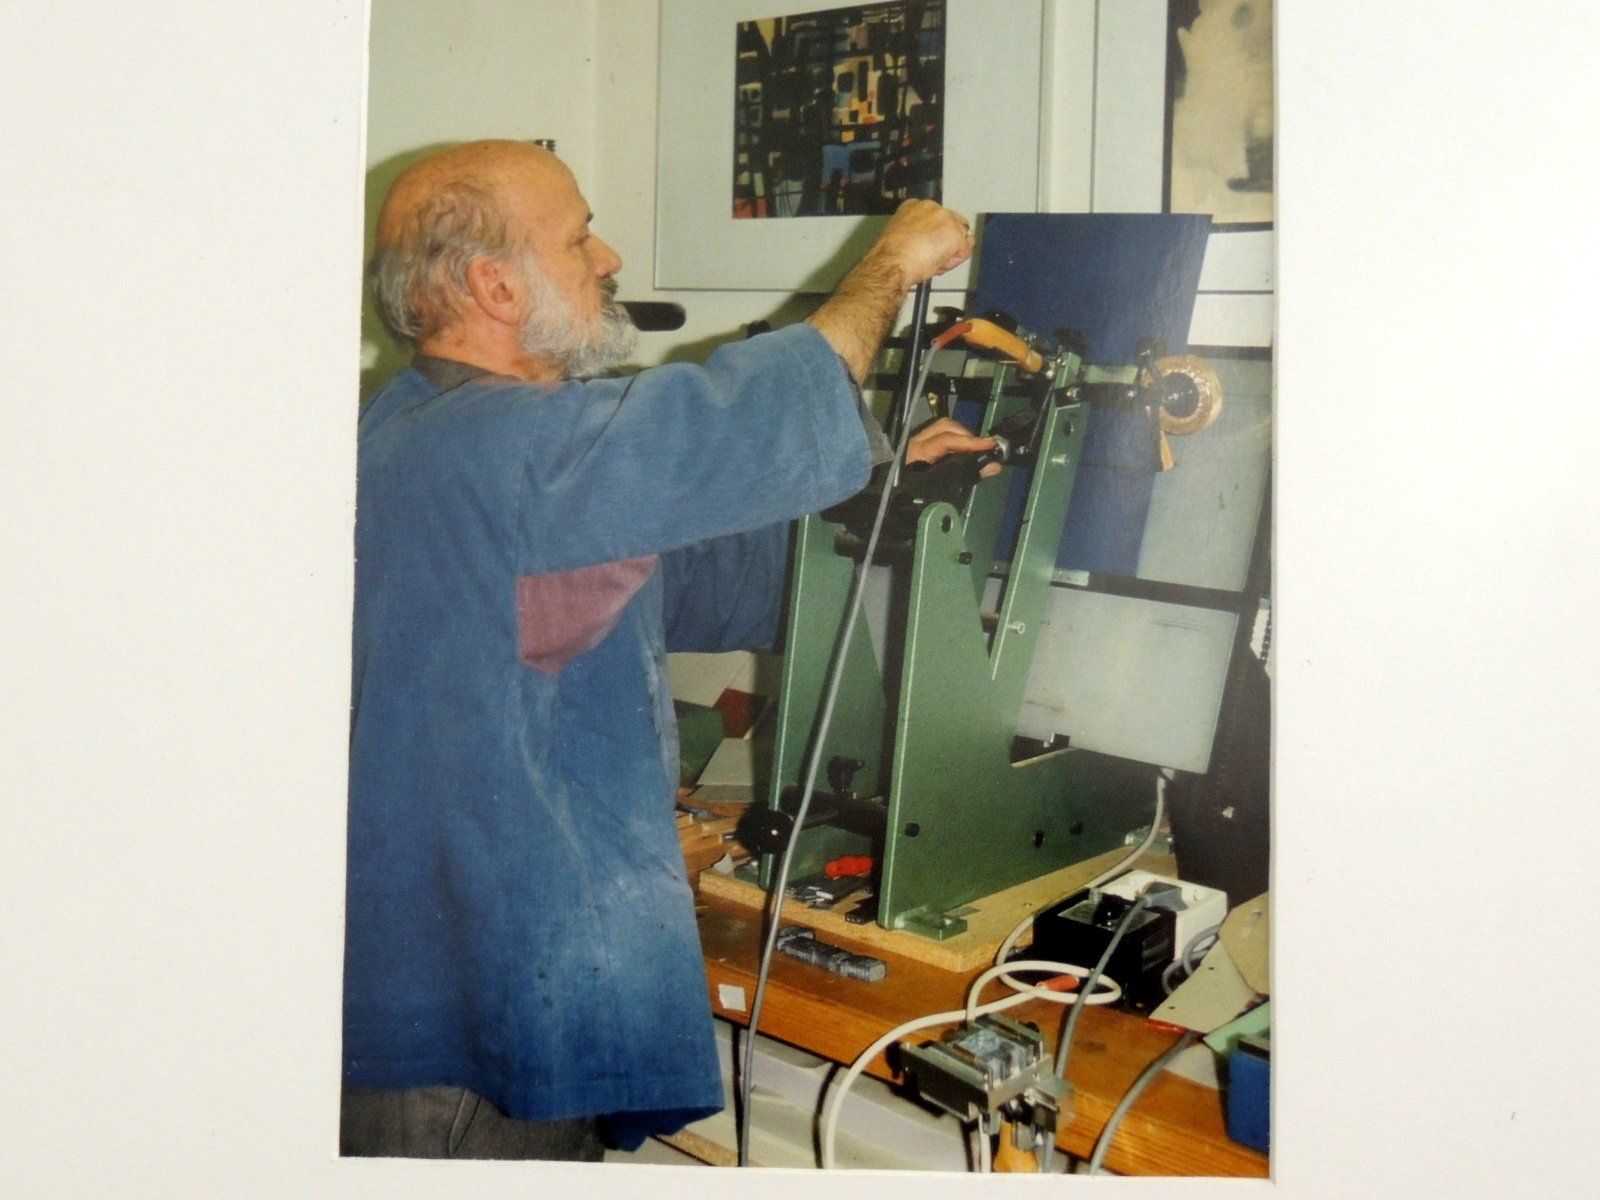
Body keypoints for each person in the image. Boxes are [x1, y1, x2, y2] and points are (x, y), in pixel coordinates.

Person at [343, 139, 992, 1161]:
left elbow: (680, 579)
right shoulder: (491, 443)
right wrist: (889, 266)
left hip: (488, 974)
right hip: (465, 1035)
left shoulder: (429, 428)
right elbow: (736, 422)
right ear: (494, 286)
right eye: (579, 238)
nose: (606, 259)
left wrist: (875, 496)